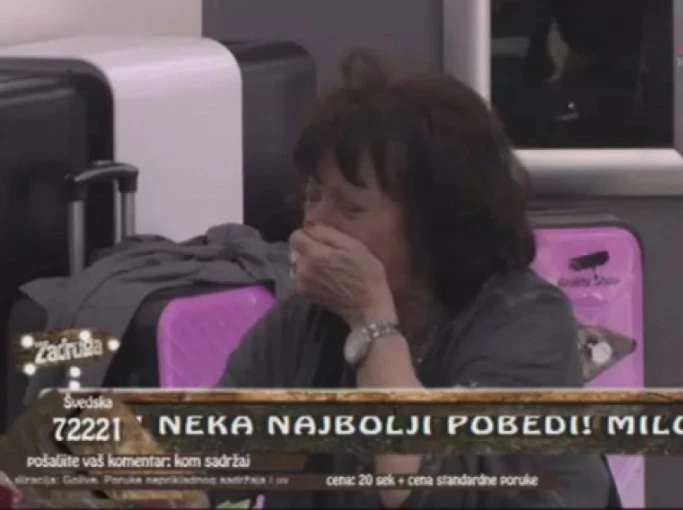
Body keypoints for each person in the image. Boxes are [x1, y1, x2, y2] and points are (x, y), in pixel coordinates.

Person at [218, 50, 612, 508]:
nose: (315, 224)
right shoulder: (306, 325)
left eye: (350, 207)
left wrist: (371, 323)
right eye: (313, 196)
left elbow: (421, 487)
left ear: (434, 225)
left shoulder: (525, 324)